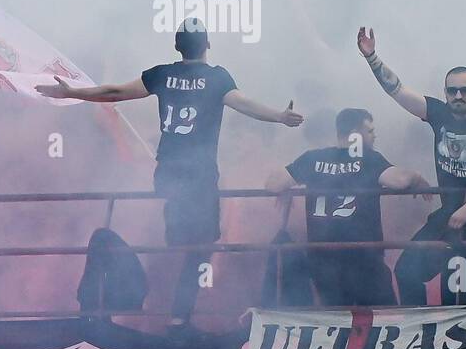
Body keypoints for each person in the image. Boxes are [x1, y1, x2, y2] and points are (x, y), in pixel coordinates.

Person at [36, 18, 304, 328]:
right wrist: (280, 117)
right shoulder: (217, 78)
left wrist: (72, 92)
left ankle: (167, 298)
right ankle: (179, 318)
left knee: (176, 243)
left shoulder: (162, 74)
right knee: (200, 248)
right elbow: (245, 105)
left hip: (168, 175)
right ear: (208, 45)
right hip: (199, 178)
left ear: (177, 46)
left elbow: (114, 92)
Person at [356, 27, 466, 304]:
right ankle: (422, 332)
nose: (458, 95)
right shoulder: (437, 112)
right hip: (449, 213)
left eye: (465, 90)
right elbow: (398, 90)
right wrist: (372, 58)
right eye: (452, 90)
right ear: (445, 92)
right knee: (407, 270)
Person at [266, 107, 425, 306]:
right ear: (354, 135)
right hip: (364, 261)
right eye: (370, 131)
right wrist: (417, 177)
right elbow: (400, 181)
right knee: (385, 319)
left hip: (322, 261)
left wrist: (287, 189)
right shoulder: (369, 159)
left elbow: (273, 183)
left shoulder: (312, 159)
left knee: (337, 320)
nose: (374, 136)